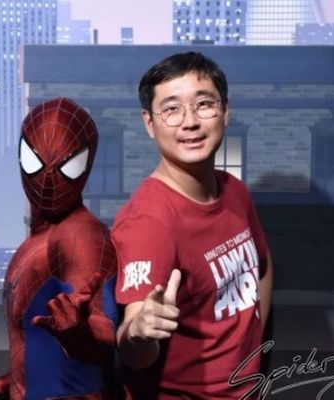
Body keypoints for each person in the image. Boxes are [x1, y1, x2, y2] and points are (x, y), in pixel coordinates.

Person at [112, 52, 273, 399]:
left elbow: (261, 266)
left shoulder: (234, 190)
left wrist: (253, 349)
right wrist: (139, 331)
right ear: (149, 123)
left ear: (225, 111)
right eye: (171, 109)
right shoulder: (148, 223)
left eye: (204, 104)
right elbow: (133, 347)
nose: (190, 122)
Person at [0, 98, 119, 400]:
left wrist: (82, 334)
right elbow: (42, 358)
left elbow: (105, 337)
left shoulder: (80, 235)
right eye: (35, 162)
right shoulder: (40, 239)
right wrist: (1, 387)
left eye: (67, 167)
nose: (47, 180)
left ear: (86, 163)